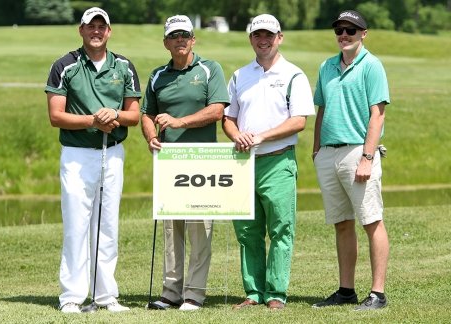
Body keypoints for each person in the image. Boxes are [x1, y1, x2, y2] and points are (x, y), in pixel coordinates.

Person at [45, 7, 141, 313]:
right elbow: (56, 116)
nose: (96, 31)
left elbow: (134, 116)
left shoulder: (124, 66)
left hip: (112, 153)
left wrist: (114, 114)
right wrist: (92, 120)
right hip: (76, 156)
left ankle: (106, 296)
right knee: (76, 225)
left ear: (109, 31)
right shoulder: (65, 65)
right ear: (81, 30)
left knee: (108, 225)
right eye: (91, 26)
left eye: (102, 26)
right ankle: (71, 297)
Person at [222, 14, 315, 310]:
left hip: (278, 162)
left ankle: (276, 294)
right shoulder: (239, 75)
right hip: (243, 163)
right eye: (257, 35)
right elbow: (229, 118)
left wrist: (261, 136)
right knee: (247, 232)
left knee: (280, 230)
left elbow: (298, 121)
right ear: (251, 39)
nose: (263, 40)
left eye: (269, 35)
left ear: (280, 38)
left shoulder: (293, 75)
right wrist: (236, 135)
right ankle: (253, 293)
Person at [141, 15, 230, 311]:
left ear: (194, 39)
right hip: (170, 161)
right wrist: (151, 135)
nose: (180, 39)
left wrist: (179, 121)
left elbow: (217, 110)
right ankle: (171, 291)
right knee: (172, 226)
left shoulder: (209, 69)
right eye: (174, 35)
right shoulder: (157, 76)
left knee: (199, 226)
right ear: (166, 42)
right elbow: (146, 113)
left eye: (185, 35)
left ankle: (194, 293)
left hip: (203, 161)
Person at [311, 10, 390, 311]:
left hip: (359, 151)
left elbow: (378, 114)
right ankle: (346, 291)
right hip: (328, 154)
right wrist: (317, 149)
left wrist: (367, 157)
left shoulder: (372, 66)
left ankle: (378, 294)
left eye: (351, 31)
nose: (344, 35)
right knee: (342, 224)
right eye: (340, 30)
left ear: (363, 34)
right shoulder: (326, 66)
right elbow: (321, 109)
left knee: (371, 220)